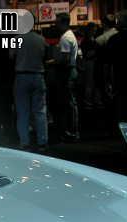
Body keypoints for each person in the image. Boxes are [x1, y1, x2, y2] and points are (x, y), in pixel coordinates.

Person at [10, 30, 49, 151]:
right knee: (40, 111)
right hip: (38, 76)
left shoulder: (16, 39)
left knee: (22, 112)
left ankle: (24, 142)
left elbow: (11, 57)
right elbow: (46, 56)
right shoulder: (41, 39)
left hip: (22, 76)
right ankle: (42, 142)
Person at [51, 12, 80, 142]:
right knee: (70, 103)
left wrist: (52, 62)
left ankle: (70, 131)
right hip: (71, 71)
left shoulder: (65, 38)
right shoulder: (70, 35)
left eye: (57, 22)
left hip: (66, 73)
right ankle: (72, 131)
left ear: (63, 22)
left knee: (68, 103)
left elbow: (65, 59)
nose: (55, 25)